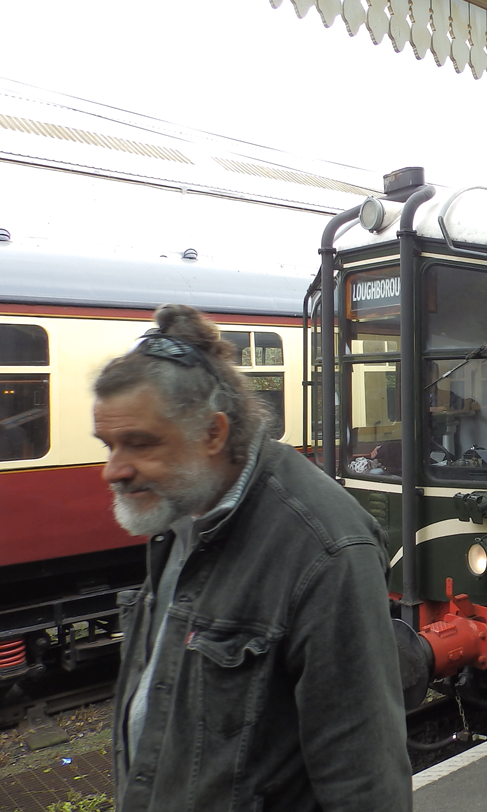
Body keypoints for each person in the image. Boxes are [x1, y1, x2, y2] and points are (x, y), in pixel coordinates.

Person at [92, 304, 411, 811]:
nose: (114, 470)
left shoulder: (324, 546)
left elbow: (365, 781)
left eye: (139, 444)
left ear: (213, 433)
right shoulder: (180, 517)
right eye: (108, 444)